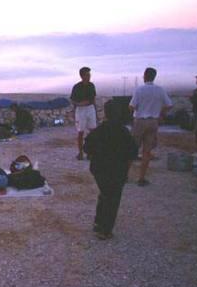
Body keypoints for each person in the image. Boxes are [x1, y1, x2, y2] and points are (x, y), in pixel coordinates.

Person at [84, 102, 138, 240]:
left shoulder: (98, 131)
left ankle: (98, 223)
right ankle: (105, 230)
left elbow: (87, 148)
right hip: (117, 171)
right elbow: (132, 153)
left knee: (105, 194)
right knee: (112, 199)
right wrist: (126, 170)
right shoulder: (124, 132)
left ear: (105, 113)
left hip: (99, 170)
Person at [128, 67, 173, 186]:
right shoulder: (160, 90)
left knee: (132, 149)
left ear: (144, 76)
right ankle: (141, 178)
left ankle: (125, 175)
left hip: (140, 121)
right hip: (153, 121)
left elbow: (131, 106)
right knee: (147, 151)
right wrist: (160, 112)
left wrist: (139, 110)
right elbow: (169, 105)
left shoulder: (140, 90)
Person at [70, 67, 97, 160]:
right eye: (87, 74)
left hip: (90, 109)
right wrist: (78, 104)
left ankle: (91, 152)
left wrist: (94, 110)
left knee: (92, 131)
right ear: (82, 76)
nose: (89, 76)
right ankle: (80, 153)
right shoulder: (77, 87)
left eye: (89, 74)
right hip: (80, 110)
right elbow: (72, 99)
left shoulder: (91, 86)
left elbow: (93, 99)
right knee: (80, 132)